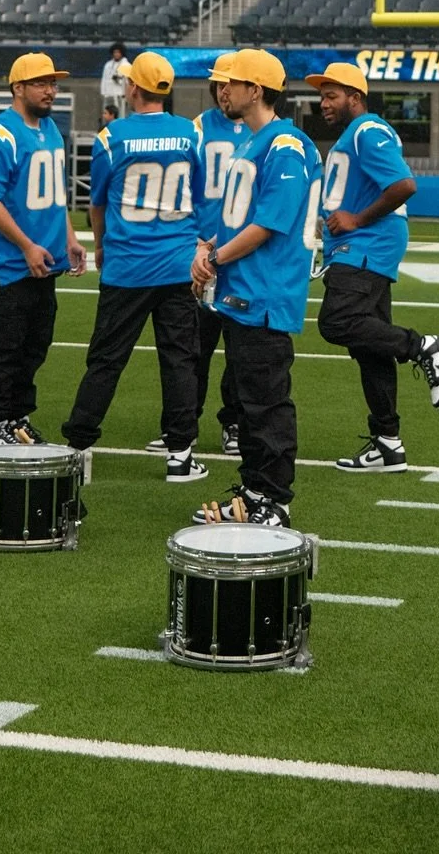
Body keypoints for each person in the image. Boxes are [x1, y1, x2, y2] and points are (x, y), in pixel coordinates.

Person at [189, 48, 321, 529]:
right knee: (247, 402)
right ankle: (253, 491)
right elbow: (238, 219)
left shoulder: (285, 145)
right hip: (241, 292)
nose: (222, 90)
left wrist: (217, 257)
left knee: (266, 403)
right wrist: (207, 250)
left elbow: (269, 223)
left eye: (231, 82)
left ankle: (272, 501)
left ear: (256, 90)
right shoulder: (255, 141)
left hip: (265, 293)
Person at [62, 52, 209, 482]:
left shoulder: (113, 137)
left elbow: (98, 205)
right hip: (177, 264)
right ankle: (180, 454)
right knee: (180, 360)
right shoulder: (189, 134)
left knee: (106, 359)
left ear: (134, 88)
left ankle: (77, 444)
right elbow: (198, 198)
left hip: (128, 264)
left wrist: (103, 249)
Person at [311, 62, 439, 472]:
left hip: (366, 245)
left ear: (355, 97)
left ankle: (425, 347)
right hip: (359, 245)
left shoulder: (366, 130)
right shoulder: (354, 135)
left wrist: (356, 220)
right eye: (322, 96)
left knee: (336, 323)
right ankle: (388, 442)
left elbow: (404, 185)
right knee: (369, 345)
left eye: (332, 95)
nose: (324, 103)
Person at [0, 51, 87, 446]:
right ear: (18, 87)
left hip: (45, 262)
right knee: (6, 347)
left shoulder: (51, 128)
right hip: (11, 263)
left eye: (53, 83)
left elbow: (54, 196)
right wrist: (26, 245)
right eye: (41, 82)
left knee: (35, 347)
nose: (50, 90)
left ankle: (16, 417)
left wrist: (69, 237)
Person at [180, 52, 248, 459]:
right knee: (194, 348)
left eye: (231, 81)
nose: (224, 89)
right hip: (204, 252)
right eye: (219, 82)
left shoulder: (264, 133)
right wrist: (196, 241)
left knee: (240, 350)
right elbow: (183, 188)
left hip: (242, 255)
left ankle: (235, 422)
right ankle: (183, 428)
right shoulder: (198, 128)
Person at [100, 42, 129, 123]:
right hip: (109, 94)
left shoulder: (126, 65)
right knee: (106, 114)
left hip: (120, 95)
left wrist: (118, 80)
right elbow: (104, 79)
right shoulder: (108, 65)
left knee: (120, 115)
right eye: (115, 52)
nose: (116, 54)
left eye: (118, 52)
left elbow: (127, 81)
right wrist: (103, 93)